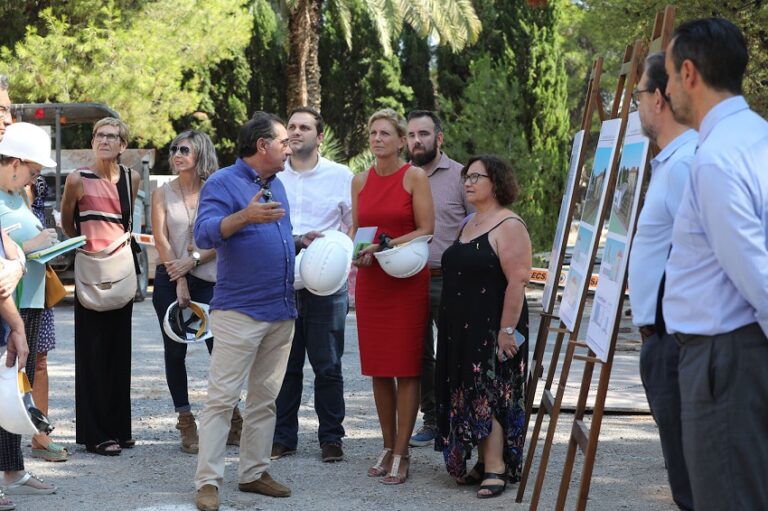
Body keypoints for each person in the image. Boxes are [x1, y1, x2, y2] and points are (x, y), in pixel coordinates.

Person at [663, 18, 768, 510]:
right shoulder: (755, 136)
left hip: (722, 359)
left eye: (665, 77)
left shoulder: (716, 159)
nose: (664, 93)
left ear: (688, 73)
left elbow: (757, 275)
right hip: (732, 356)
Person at [194, 112, 316, 510]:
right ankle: (208, 482)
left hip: (281, 310)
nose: (290, 147)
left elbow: (268, 235)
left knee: (265, 398)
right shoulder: (222, 182)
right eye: (283, 141)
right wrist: (244, 215)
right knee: (222, 399)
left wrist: (298, 242)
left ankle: (253, 473)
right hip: (240, 311)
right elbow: (204, 233)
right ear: (262, 146)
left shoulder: (276, 183)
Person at [434, 155, 531, 499]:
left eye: (477, 176)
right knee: (467, 390)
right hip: (460, 328)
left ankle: (496, 467)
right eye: (466, 176)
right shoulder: (469, 222)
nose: (468, 182)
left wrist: (506, 332)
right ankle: (482, 459)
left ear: (497, 182)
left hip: (493, 327)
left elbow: (518, 282)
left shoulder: (510, 225)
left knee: (487, 392)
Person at [627, 52, 696, 511]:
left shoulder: (689, 162)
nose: (635, 108)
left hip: (679, 342)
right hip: (664, 340)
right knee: (686, 476)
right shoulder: (671, 161)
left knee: (695, 483)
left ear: (658, 98)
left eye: (636, 97)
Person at [351, 108, 434, 485]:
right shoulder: (358, 181)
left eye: (385, 133)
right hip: (372, 283)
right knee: (379, 370)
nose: (378, 138)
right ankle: (387, 445)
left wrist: (383, 247)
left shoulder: (414, 176)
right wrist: (358, 254)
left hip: (405, 281)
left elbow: (426, 229)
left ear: (402, 141)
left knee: (406, 368)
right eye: (373, 132)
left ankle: (402, 452)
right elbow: (357, 232)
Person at [272, 107, 353, 463]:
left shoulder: (342, 176)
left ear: (320, 137)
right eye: (290, 127)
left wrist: (337, 256)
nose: (295, 132)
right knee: (285, 367)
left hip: (327, 287)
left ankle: (331, 438)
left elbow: (355, 226)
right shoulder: (272, 177)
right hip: (282, 284)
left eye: (304, 127)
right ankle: (283, 438)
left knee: (328, 365)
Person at [61, 117, 140, 457]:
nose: (105, 141)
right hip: (91, 272)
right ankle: (94, 435)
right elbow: (67, 222)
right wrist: (87, 244)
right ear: (92, 142)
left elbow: (126, 221)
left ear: (123, 145)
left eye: (112, 136)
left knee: (119, 352)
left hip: (120, 270)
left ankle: (119, 430)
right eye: (99, 136)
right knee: (91, 353)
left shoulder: (131, 179)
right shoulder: (77, 179)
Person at [151, 130, 227, 454]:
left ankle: (231, 416)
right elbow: (161, 239)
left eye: (184, 149)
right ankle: (185, 420)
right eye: (174, 149)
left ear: (200, 154)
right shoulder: (162, 193)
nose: (177, 154)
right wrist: (179, 277)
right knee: (174, 352)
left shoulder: (217, 192)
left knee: (220, 352)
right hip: (170, 279)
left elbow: (223, 236)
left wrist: (193, 261)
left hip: (210, 279)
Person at [405, 110, 471, 448]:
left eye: (424, 134)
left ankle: (456, 420)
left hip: (451, 281)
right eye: (412, 135)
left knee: (454, 351)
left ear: (439, 139)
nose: (417, 141)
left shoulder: (462, 177)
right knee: (419, 356)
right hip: (410, 280)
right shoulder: (402, 177)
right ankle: (431, 419)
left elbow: (477, 226)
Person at [0, 121, 59, 498]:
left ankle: (13, 470)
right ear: (16, 161)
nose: (33, 180)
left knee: (13, 390)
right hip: (11, 303)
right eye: (33, 171)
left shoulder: (14, 194)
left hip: (29, 301)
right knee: (5, 388)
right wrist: (35, 245)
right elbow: (11, 251)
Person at [26, 175, 70, 462]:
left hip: (35, 277)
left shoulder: (37, 181)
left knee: (39, 359)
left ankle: (40, 436)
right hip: (7, 276)